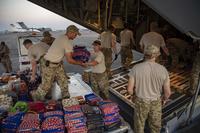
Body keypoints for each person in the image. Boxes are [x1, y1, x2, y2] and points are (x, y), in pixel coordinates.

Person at [31, 25, 85, 101]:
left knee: (64, 82)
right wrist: (80, 63)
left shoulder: (62, 37)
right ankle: (36, 100)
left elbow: (69, 52)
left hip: (57, 64)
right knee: (46, 86)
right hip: (49, 65)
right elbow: (69, 60)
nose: (76, 36)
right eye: (75, 34)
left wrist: (76, 53)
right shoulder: (66, 41)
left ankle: (66, 99)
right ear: (70, 32)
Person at [127, 45, 171, 133]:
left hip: (141, 101)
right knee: (155, 127)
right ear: (157, 55)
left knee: (139, 126)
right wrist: (164, 99)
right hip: (156, 102)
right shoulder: (163, 70)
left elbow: (129, 90)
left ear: (145, 54)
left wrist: (133, 96)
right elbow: (167, 93)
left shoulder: (136, 68)